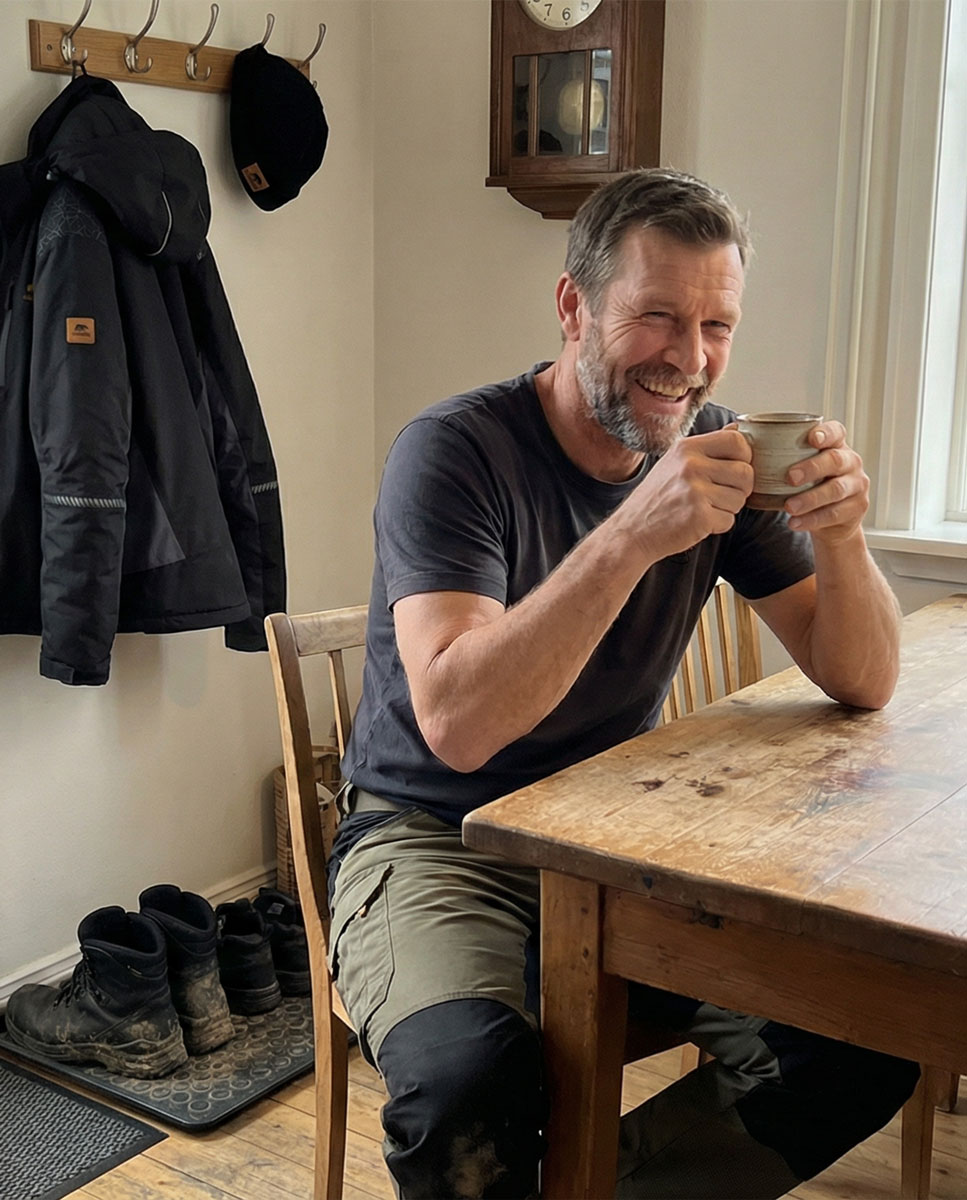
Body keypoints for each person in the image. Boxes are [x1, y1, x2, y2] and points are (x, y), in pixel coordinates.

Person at [327, 167, 918, 1199]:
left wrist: (845, 537)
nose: (687, 360)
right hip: (434, 835)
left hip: (610, 836)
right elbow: (460, 727)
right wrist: (630, 538)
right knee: (466, 1085)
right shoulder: (453, 453)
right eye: (655, 317)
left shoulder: (716, 450)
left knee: (860, 1041)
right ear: (573, 306)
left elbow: (859, 680)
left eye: (715, 325)